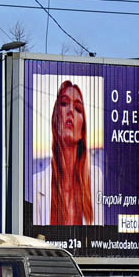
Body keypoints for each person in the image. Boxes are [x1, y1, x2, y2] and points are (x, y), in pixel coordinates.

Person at [49, 80, 93, 226]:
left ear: (83, 129)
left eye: (78, 109)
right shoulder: (37, 186)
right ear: (55, 119)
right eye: (64, 103)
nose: (70, 111)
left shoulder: (97, 183)